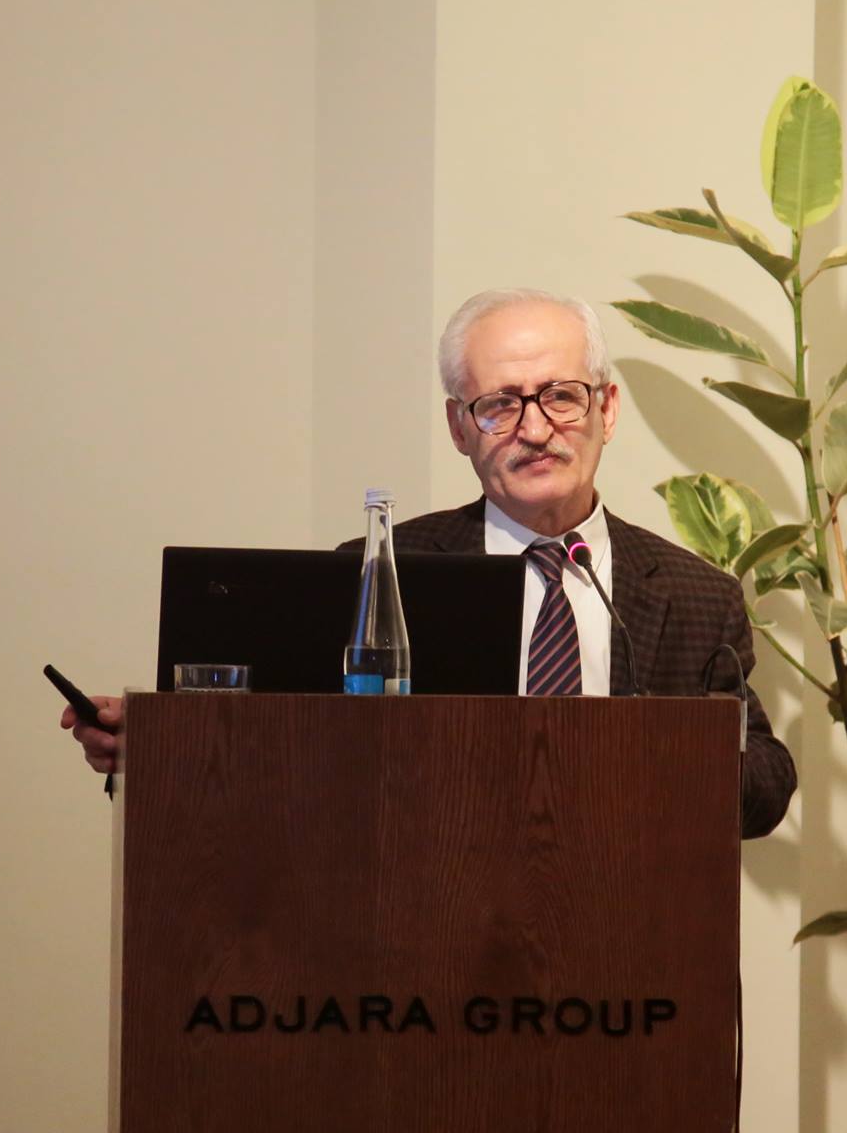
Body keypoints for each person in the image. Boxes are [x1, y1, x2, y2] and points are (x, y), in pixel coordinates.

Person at [63, 288, 796, 838]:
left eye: (561, 397)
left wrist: (651, 756)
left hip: (630, 943)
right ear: (458, 427)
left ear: (606, 409)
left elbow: (764, 786)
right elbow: (284, 751)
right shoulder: (382, 573)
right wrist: (160, 742)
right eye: (500, 405)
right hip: (422, 934)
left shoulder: (697, 595)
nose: (535, 428)